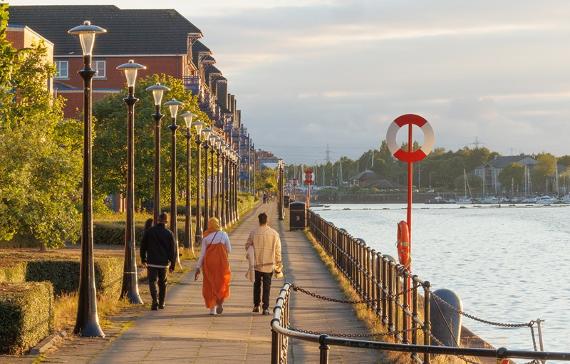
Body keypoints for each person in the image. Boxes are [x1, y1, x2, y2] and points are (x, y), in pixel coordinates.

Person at [245, 212, 282, 315]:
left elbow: (247, 245)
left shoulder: (253, 232)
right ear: (267, 220)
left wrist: (251, 250)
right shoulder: (274, 234)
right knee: (267, 286)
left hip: (256, 264)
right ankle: (265, 308)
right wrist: (279, 262)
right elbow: (278, 250)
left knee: (256, 285)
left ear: (259, 220)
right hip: (269, 264)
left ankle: (256, 306)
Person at [195, 217, 232, 315]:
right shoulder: (224, 235)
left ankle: (212, 309)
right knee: (222, 283)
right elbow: (229, 250)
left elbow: (202, 254)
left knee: (210, 284)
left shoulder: (206, 237)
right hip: (222, 263)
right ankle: (220, 302)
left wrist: (198, 267)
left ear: (209, 225)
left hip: (209, 264)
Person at [140, 212, 176, 311]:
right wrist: (172, 264)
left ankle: (154, 301)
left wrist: (143, 258)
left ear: (158, 220)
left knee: (152, 281)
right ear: (166, 221)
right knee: (163, 283)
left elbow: (143, 246)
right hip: (163, 263)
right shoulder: (169, 233)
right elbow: (172, 250)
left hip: (151, 261)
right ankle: (161, 303)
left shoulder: (150, 231)